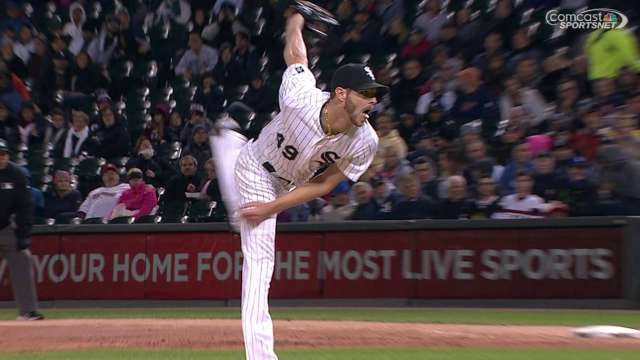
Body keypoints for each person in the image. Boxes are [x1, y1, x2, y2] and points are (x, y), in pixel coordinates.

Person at [210, 11, 386, 360]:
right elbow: (296, 56)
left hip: (286, 184)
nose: (373, 101)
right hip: (257, 169)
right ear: (340, 93)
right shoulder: (300, 98)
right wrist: (294, 21)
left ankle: (226, 139)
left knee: (243, 217)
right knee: (260, 261)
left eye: (375, 94)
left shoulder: (365, 140)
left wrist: (272, 207)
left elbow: (324, 185)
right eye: (366, 93)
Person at [0, 139, 44, 320]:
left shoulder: (16, 174)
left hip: (6, 228)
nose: (1, 157)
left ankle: (27, 311)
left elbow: (25, 207)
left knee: (23, 261)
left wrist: (23, 235)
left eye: (3, 154)